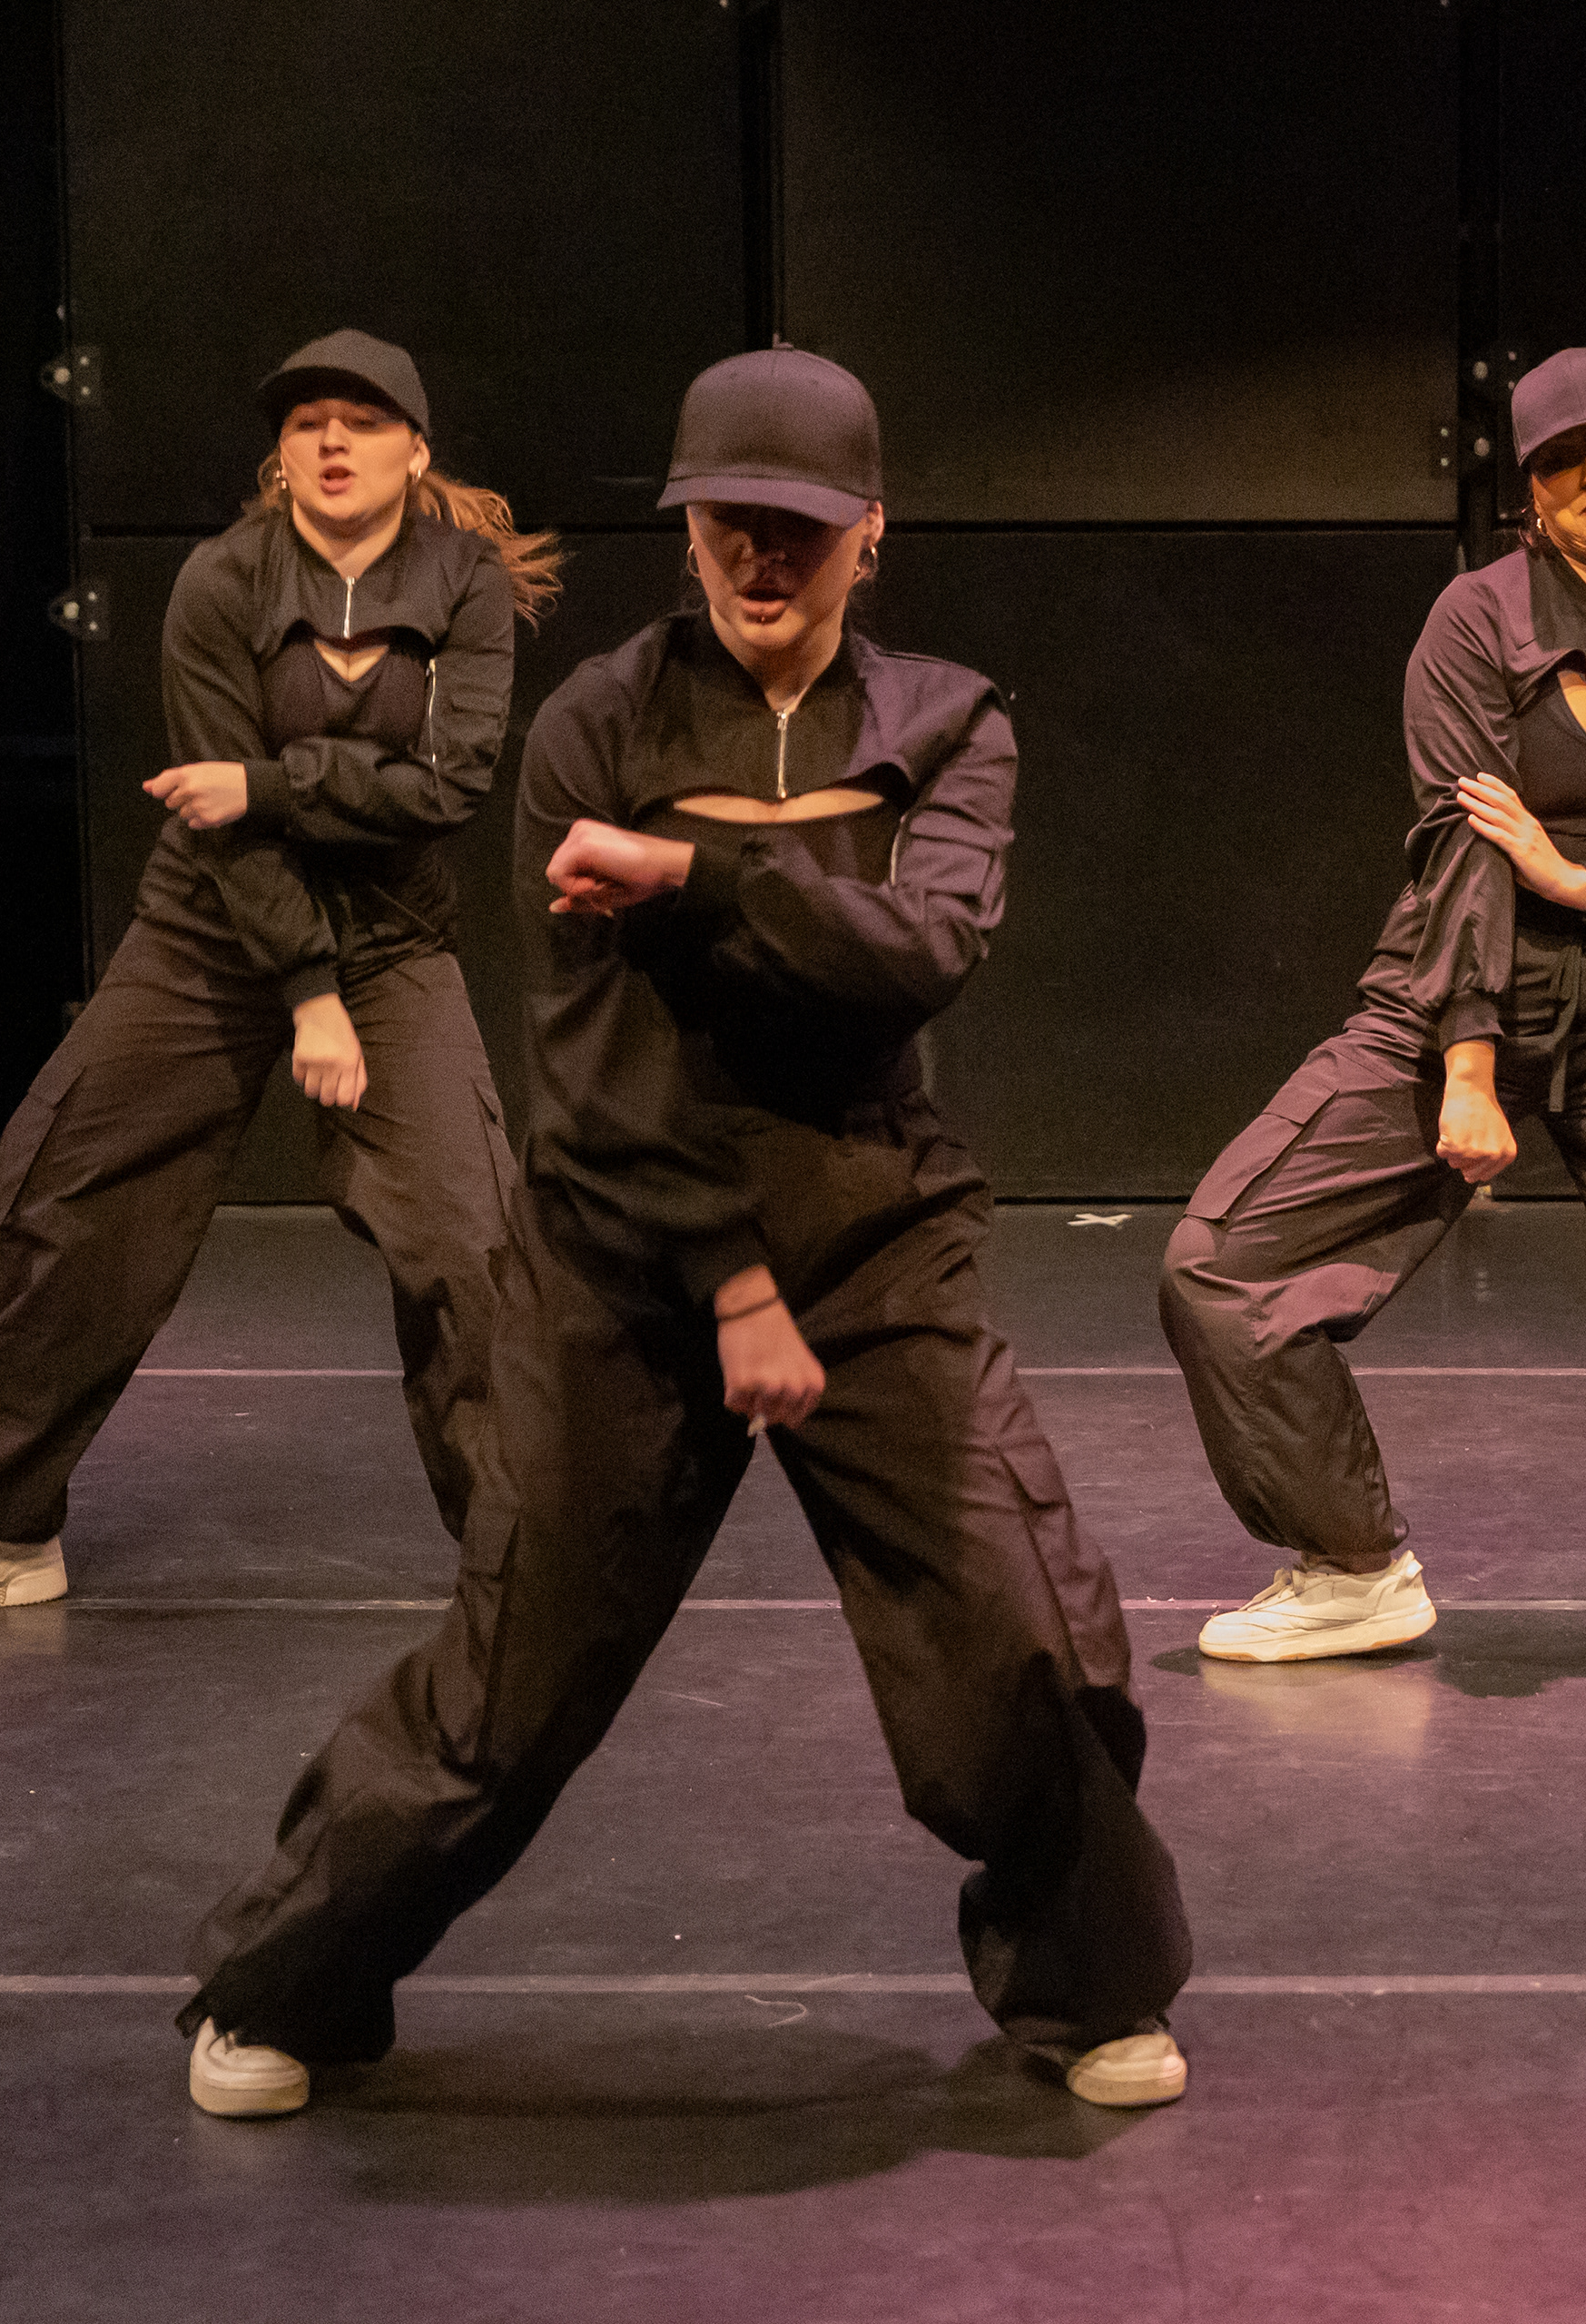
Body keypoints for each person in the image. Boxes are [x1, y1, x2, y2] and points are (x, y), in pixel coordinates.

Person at [179, 347, 1191, 2119]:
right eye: (731, 521)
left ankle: (1087, 1980)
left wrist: (695, 878)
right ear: (690, 527)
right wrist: (730, 1282)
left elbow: (923, 952)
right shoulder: (597, 724)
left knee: (1027, 1631)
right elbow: (593, 1066)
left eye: (800, 525)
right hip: (627, 1258)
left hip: (875, 1236)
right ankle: (284, 1982)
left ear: (869, 534)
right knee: (512, 1683)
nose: (763, 555)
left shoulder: (948, 719)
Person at [0, 330, 554, 1617]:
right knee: (60, 1198)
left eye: (362, 421)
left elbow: (447, 788)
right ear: (280, 454)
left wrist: (272, 784)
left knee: (468, 1239)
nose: (332, 442)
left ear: (416, 450)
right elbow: (216, 825)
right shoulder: (223, 581)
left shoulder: (464, 584)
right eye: (306, 423)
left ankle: (521, 1557)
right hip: (209, 934)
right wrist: (307, 993)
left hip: (391, 940)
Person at [1159, 346, 1586, 1667]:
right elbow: (1462, 846)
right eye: (1561, 459)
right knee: (1223, 1263)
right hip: (1449, 998)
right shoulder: (1478, 620)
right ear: (1532, 490)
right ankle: (1351, 1566)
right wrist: (1469, 1066)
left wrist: (1583, 878)